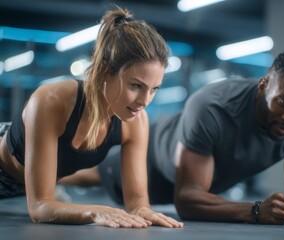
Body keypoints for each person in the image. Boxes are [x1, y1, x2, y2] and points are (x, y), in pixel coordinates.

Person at [90, 49, 284, 225]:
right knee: (86, 172)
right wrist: (256, 211)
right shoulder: (213, 106)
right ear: (264, 85)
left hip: (199, 189)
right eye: (283, 102)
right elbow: (186, 199)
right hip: (153, 158)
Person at [0, 7, 183, 228]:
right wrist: (95, 212)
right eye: (136, 85)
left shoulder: (137, 121)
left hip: (21, 186)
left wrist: (143, 211)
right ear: (105, 71)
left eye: (154, 89)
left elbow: (136, 203)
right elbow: (39, 206)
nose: (145, 100)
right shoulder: (51, 101)